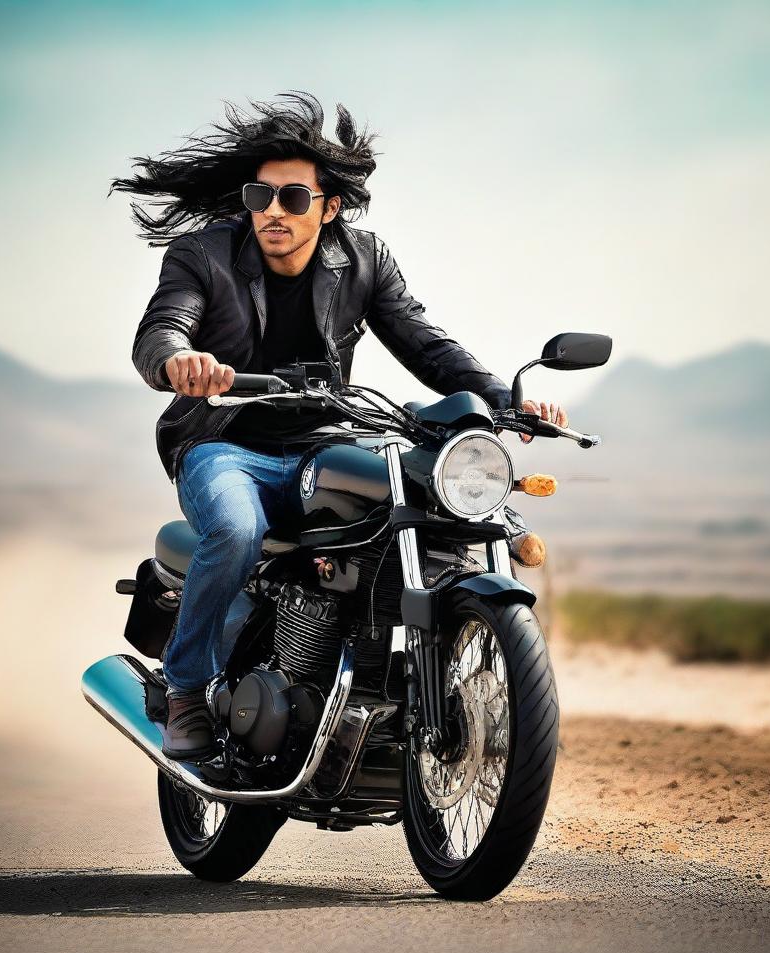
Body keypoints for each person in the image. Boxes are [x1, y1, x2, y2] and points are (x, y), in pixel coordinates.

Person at [111, 91, 568, 762]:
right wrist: (180, 359)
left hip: (322, 444)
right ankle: (185, 690)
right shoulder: (201, 255)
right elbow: (162, 327)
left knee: (415, 488)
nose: (273, 212)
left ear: (328, 207)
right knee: (237, 528)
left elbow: (425, 345)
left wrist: (506, 398)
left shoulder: (364, 259)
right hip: (223, 445)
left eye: (294, 199)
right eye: (259, 197)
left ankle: (379, 680)